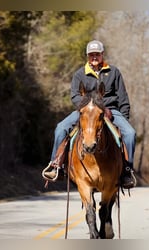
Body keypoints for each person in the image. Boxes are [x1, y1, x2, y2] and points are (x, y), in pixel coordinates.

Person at [42, 40, 136, 189]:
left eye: (97, 54)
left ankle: (127, 171)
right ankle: (56, 166)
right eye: (91, 55)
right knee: (60, 128)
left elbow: (123, 97)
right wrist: (88, 108)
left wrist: (123, 118)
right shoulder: (80, 74)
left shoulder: (114, 72)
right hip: (86, 110)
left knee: (130, 133)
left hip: (111, 110)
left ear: (102, 55)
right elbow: (74, 96)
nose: (94, 57)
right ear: (87, 56)